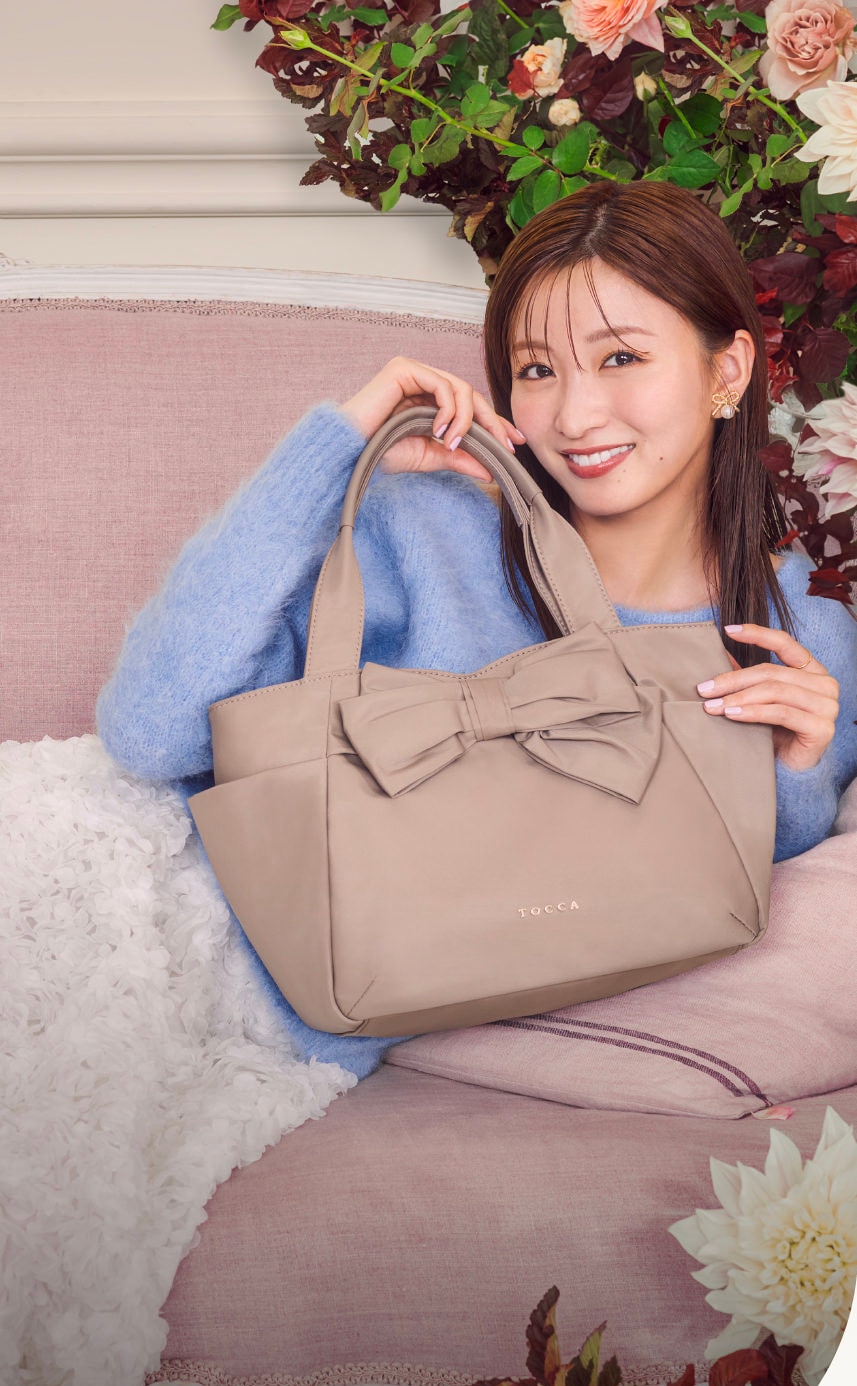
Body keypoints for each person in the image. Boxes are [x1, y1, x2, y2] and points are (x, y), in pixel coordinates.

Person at [97, 180, 857, 1080]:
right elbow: (150, 734)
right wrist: (329, 456)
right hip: (291, 1030)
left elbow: (725, 904)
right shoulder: (416, 527)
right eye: (536, 371)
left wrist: (795, 774)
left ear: (725, 371)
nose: (573, 416)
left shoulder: (804, 622)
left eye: (620, 357)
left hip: (592, 1061)